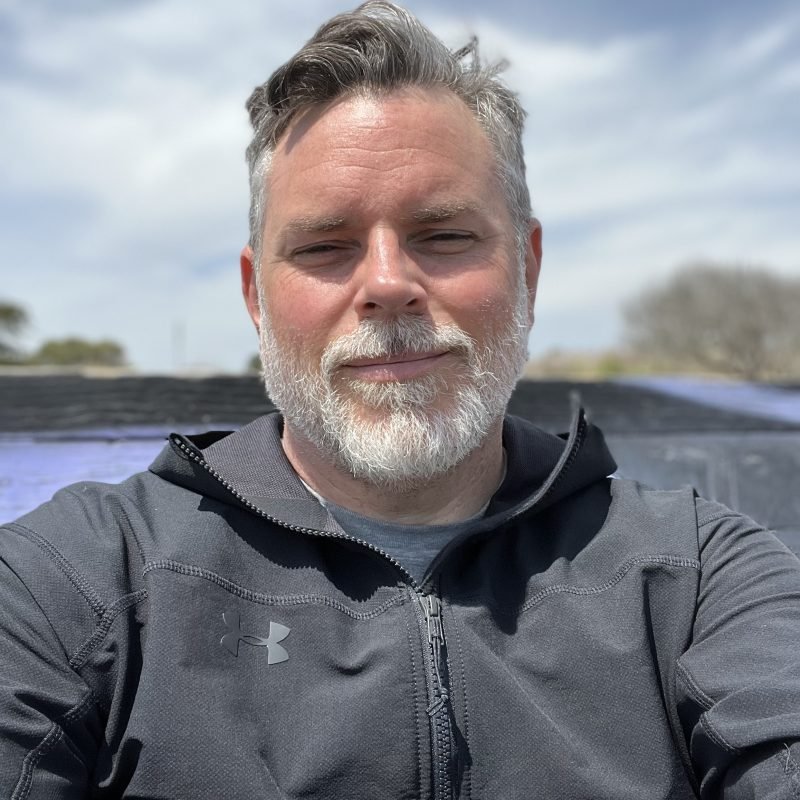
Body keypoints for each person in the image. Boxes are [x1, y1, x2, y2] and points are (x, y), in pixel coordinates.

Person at [2, 3, 799, 797]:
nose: (387, 285)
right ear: (255, 297)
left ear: (528, 269)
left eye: (444, 236)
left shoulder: (701, 576)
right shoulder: (68, 582)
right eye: (324, 246)